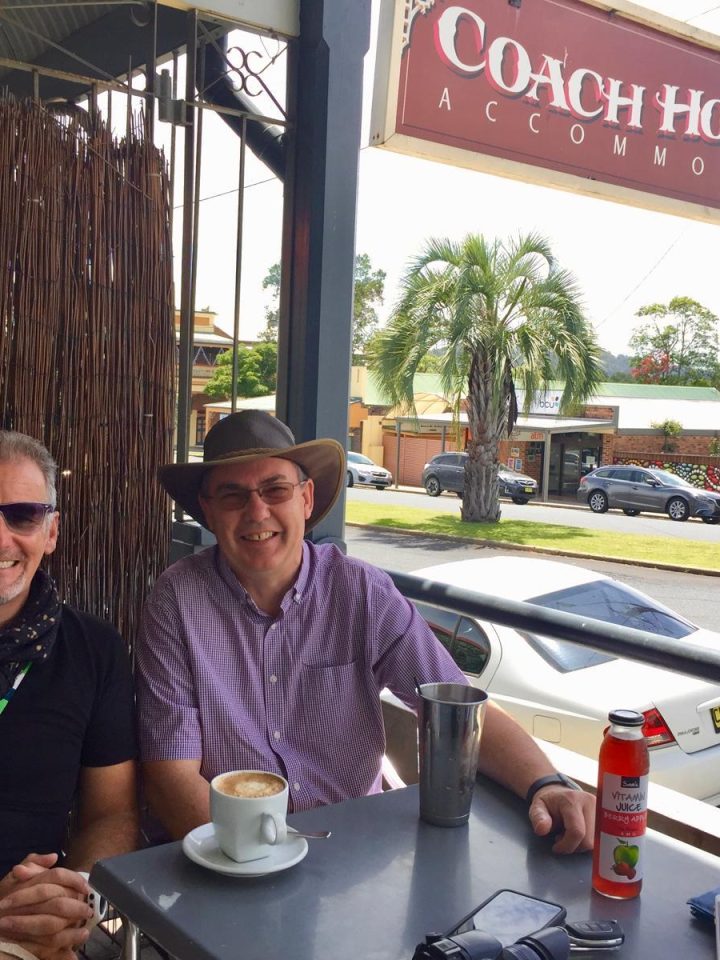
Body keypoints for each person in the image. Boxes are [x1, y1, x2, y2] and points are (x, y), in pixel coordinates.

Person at [137, 412, 594, 855]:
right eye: (233, 496)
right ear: (208, 511)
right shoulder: (176, 602)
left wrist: (546, 783)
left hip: (350, 849)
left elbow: (455, 705)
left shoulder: (362, 591)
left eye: (275, 490)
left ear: (306, 499)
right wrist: (250, 864)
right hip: (226, 856)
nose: (257, 512)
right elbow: (170, 774)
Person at [0, 431, 138, 960]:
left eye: (22, 515)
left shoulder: (94, 650)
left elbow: (112, 814)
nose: (2, 537)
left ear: (51, 531)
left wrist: (73, 896)